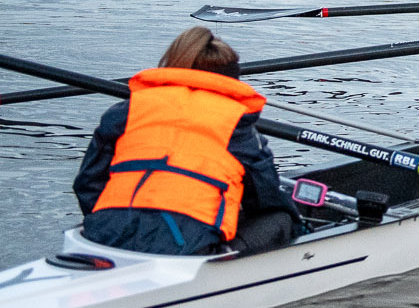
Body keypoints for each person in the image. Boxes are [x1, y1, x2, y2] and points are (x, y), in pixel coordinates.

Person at [73, 27, 300, 256]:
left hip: (104, 235)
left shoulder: (126, 112)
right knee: (281, 219)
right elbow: (266, 198)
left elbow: (87, 184)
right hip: (184, 249)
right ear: (232, 81)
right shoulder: (237, 126)